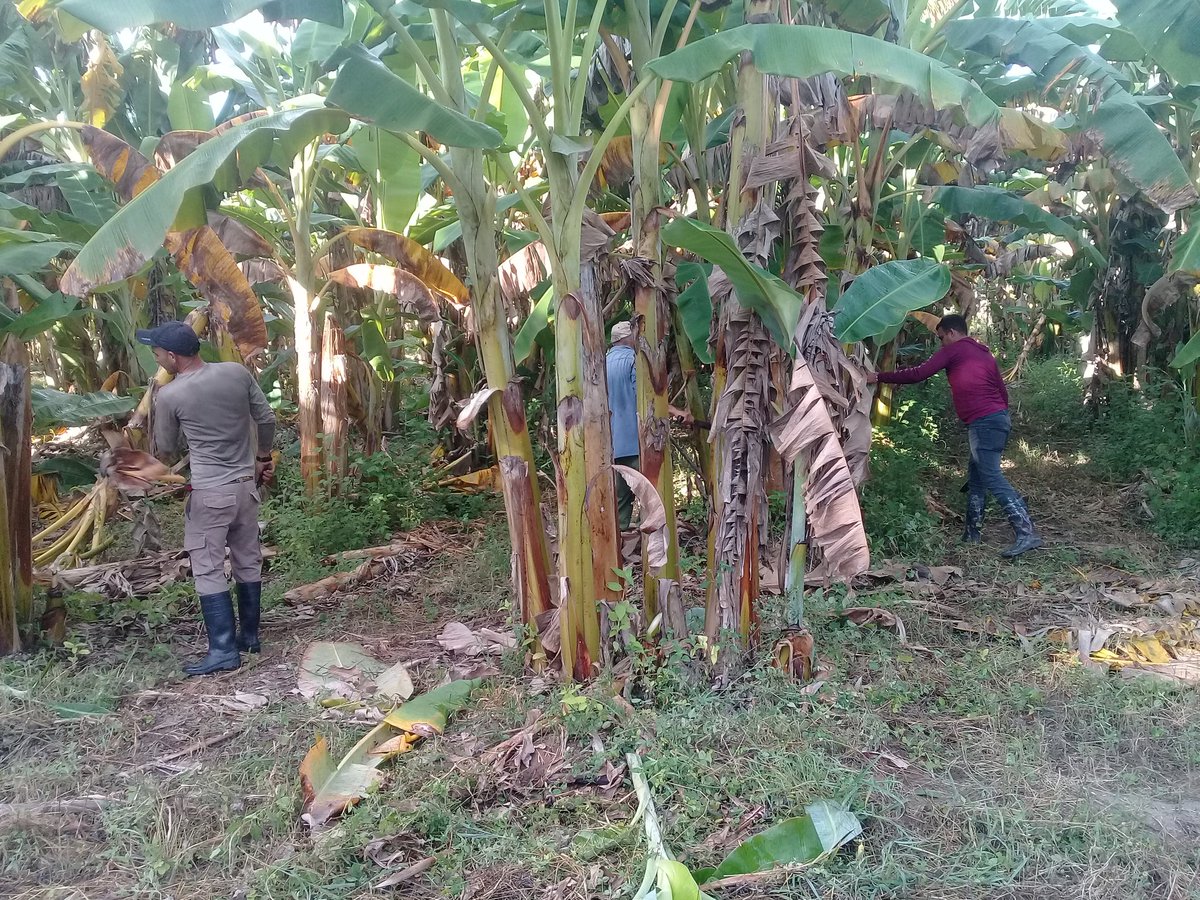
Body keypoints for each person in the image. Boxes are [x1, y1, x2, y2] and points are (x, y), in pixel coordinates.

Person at [139, 321, 277, 675]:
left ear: (171, 356)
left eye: (157, 354)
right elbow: (266, 418)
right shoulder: (235, 372)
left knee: (208, 567)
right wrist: (263, 457)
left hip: (210, 493)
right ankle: (249, 638)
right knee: (247, 559)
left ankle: (222, 651)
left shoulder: (170, 395)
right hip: (246, 488)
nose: (157, 360)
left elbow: (166, 452)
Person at [866, 314, 1042, 557]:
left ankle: (1026, 532)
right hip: (996, 419)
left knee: (991, 477)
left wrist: (879, 376)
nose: (940, 343)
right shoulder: (983, 352)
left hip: (984, 423)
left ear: (951, 332)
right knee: (978, 478)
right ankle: (972, 534)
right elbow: (1002, 391)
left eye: (940, 337)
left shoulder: (956, 349)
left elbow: (919, 373)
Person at [607, 321, 639, 530]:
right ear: (628, 336)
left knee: (620, 499)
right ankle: (651, 549)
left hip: (611, 443)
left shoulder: (601, 361)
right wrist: (676, 412)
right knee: (649, 493)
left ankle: (621, 545)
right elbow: (646, 397)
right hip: (635, 440)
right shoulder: (634, 360)